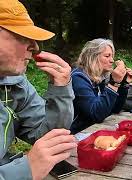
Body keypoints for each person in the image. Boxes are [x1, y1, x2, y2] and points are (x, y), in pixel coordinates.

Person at [0, 0, 77, 179]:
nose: (35, 47)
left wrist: (61, 90)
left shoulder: (15, 84)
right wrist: (25, 169)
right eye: (22, 36)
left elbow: (50, 137)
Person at [70, 38, 132, 134]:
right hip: (75, 134)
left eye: (112, 56)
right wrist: (114, 83)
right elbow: (96, 114)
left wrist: (124, 84)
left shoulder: (98, 77)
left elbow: (115, 108)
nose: (112, 60)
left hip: (91, 130)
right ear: (92, 57)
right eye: (107, 56)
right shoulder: (78, 78)